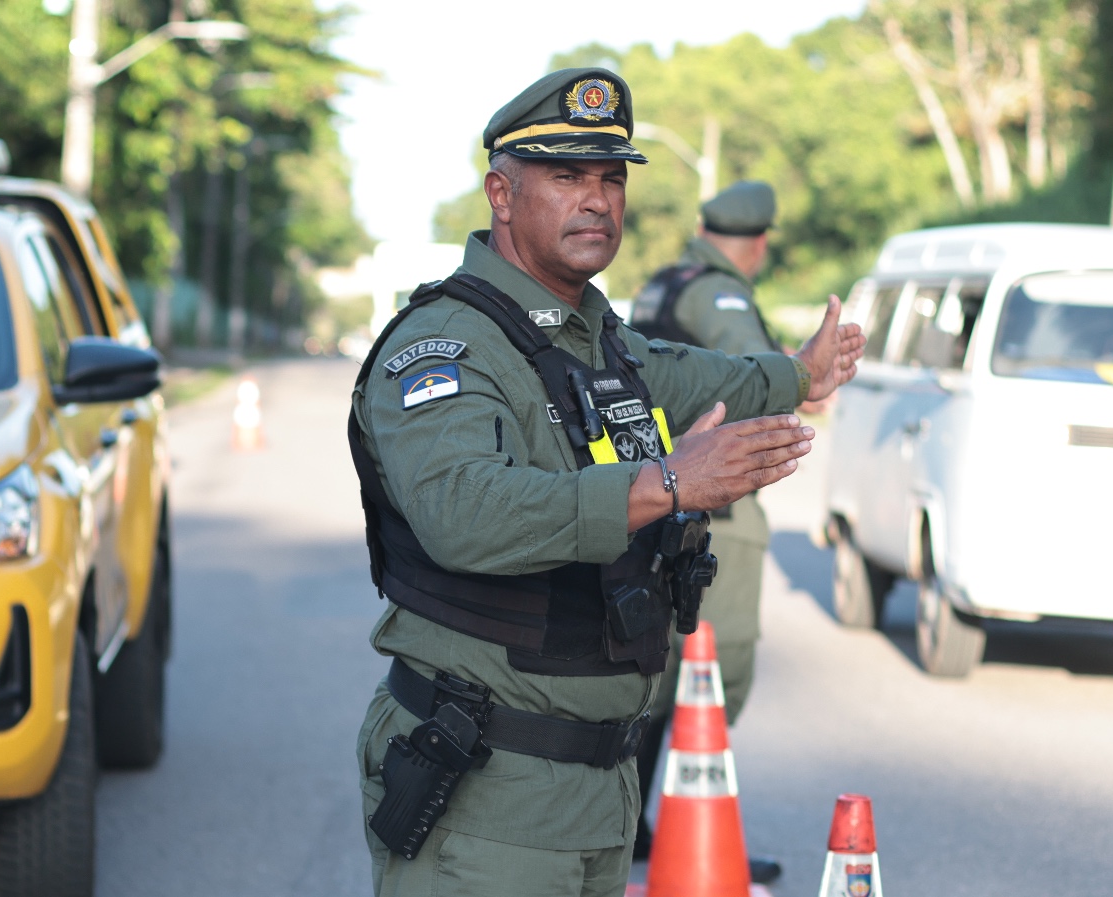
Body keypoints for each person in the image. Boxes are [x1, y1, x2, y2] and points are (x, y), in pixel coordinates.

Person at [348, 67, 865, 897]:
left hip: (600, 784)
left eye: (610, 178)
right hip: (488, 784)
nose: (596, 200)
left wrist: (800, 373)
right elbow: (461, 511)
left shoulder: (598, 341)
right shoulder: (446, 343)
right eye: (566, 176)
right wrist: (667, 481)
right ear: (502, 195)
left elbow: (695, 376)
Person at [626, 180, 788, 881]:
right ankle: (692, 836)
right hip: (710, 510)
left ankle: (632, 826)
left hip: (652, 494)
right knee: (714, 672)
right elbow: (753, 380)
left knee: (655, 669)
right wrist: (802, 378)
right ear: (759, 244)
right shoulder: (720, 294)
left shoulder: (662, 283)